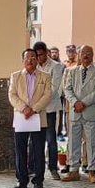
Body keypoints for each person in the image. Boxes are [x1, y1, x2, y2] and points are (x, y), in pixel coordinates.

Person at [9, 48, 52, 188]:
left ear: (37, 59)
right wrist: (24, 108)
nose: (30, 61)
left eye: (33, 58)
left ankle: (38, 180)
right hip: (21, 118)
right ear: (23, 61)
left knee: (38, 150)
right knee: (20, 150)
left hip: (38, 117)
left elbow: (47, 96)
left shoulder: (45, 76)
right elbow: (12, 95)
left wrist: (33, 109)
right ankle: (21, 180)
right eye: (27, 58)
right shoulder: (15, 76)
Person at [63, 45, 95, 184]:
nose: (86, 55)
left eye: (89, 52)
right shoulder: (72, 71)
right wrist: (75, 102)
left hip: (90, 111)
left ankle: (92, 171)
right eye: (83, 53)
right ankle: (73, 170)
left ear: (93, 55)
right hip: (75, 111)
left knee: (92, 142)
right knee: (73, 142)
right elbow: (67, 89)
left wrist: (83, 103)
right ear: (78, 55)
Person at [34, 42, 65, 179]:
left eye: (41, 54)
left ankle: (53, 168)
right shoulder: (33, 65)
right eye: (37, 55)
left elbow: (53, 89)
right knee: (34, 139)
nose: (39, 58)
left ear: (46, 52)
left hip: (49, 108)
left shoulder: (56, 66)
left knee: (51, 139)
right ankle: (34, 167)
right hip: (35, 109)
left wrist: (37, 100)